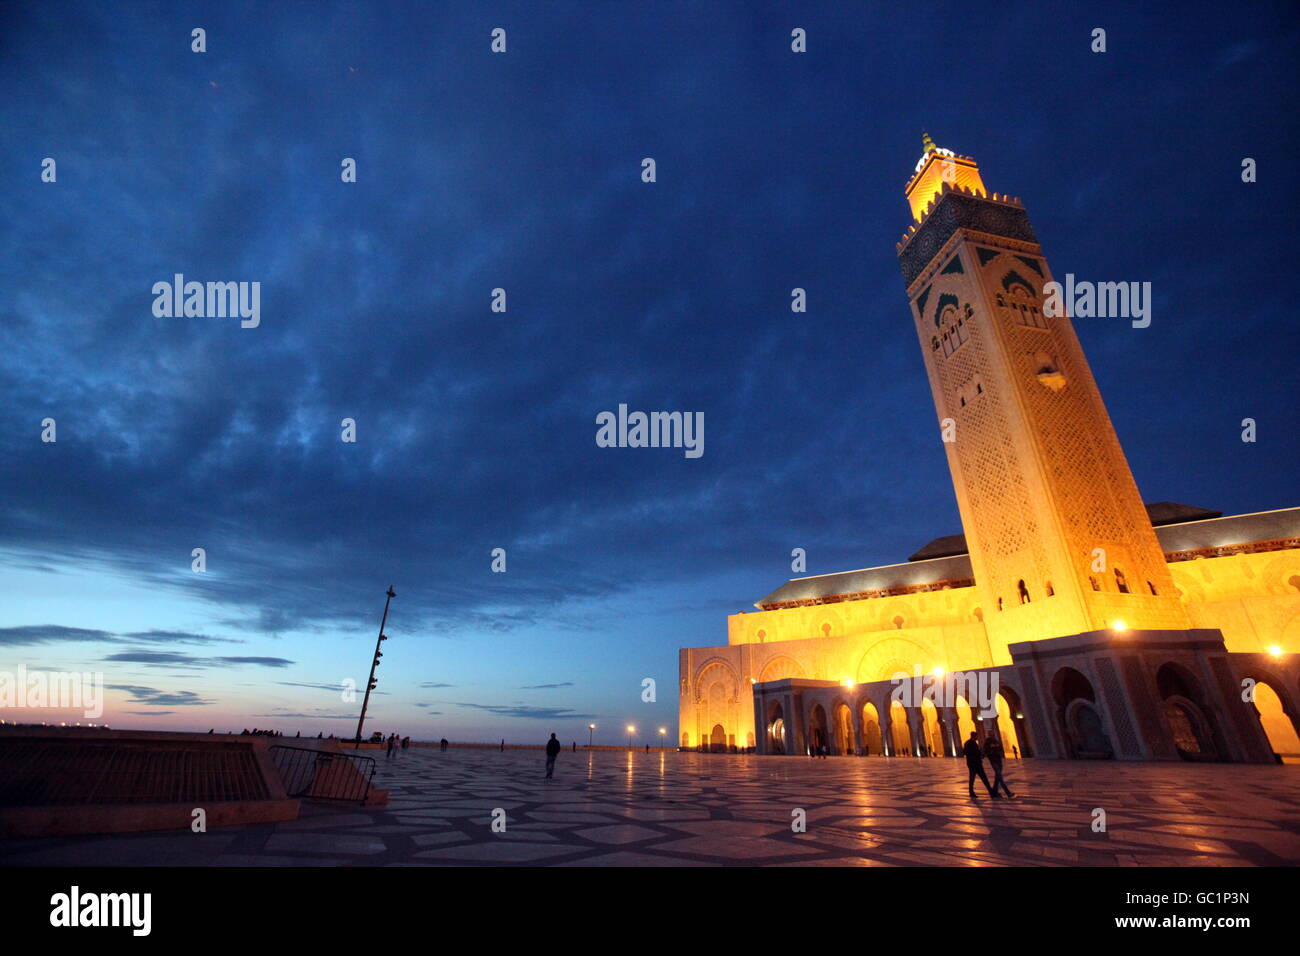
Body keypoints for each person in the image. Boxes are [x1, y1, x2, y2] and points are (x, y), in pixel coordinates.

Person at [963, 731, 998, 799]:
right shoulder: (971, 743)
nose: (977, 738)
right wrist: (979, 755)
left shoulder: (968, 743)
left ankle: (972, 792)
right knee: (983, 778)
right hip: (975, 764)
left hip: (972, 763)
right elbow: (971, 753)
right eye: (976, 736)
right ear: (974, 736)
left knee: (973, 778)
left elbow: (964, 752)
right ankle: (990, 792)